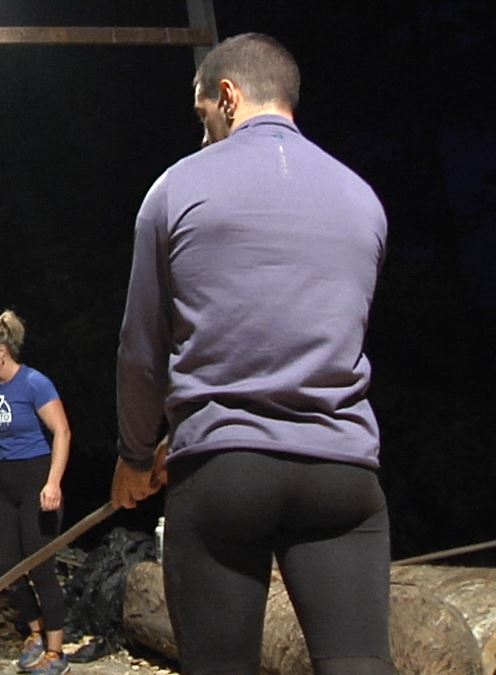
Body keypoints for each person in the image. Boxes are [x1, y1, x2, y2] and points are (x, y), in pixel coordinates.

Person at [111, 33, 395, 675]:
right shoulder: (362, 199)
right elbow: (316, 333)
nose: (204, 130)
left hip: (224, 472)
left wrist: (135, 454)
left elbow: (142, 349)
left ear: (228, 97)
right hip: (343, 473)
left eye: (203, 114)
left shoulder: (175, 189)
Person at [0, 310, 72, 675]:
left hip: (36, 481)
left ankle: (57, 652)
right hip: (5, 487)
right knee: (4, 567)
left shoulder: (34, 384)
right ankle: (35, 632)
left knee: (40, 567)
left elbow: (62, 432)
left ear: (1, 352)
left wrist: (53, 482)